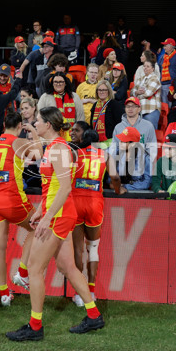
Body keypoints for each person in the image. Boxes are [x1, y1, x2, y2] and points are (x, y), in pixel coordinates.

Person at [5, 107, 104, 342]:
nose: (35, 124)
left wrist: (47, 217)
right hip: (58, 213)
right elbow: (52, 188)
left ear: (48, 124)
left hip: (59, 216)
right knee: (69, 267)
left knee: (35, 269)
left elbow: (66, 188)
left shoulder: (58, 148)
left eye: (37, 121)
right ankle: (93, 315)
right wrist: (40, 211)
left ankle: (35, 327)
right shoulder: (53, 147)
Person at [0, 112, 42, 305]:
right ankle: (22, 272)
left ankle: (4, 293)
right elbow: (38, 154)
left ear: (3, 124)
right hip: (11, 199)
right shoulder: (16, 142)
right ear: (19, 127)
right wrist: (33, 131)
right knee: (38, 225)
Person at [70, 127, 121, 306]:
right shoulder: (105, 155)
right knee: (93, 248)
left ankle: (78, 294)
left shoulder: (75, 154)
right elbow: (114, 176)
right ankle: (91, 291)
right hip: (94, 203)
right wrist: (118, 189)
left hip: (75, 202)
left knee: (77, 249)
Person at [110, 96, 158, 167]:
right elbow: (114, 148)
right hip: (123, 163)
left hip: (142, 164)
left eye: (133, 106)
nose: (130, 109)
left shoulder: (148, 126)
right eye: (128, 106)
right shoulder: (118, 127)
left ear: (139, 109)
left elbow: (152, 148)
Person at [37, 72, 84, 137]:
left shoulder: (75, 96)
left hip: (72, 135)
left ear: (65, 83)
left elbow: (80, 117)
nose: (58, 84)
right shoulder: (45, 97)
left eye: (61, 82)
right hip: (52, 136)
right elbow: (40, 118)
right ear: (52, 83)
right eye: (55, 82)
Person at [113, 126, 152, 193]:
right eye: (120, 141)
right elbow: (110, 179)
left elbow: (147, 182)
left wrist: (126, 187)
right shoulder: (115, 154)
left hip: (137, 195)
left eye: (124, 142)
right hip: (118, 192)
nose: (120, 143)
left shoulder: (146, 158)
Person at [90, 80, 124, 146]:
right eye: (99, 90)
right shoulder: (95, 105)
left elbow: (119, 124)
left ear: (109, 91)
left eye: (104, 90)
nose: (101, 92)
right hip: (97, 143)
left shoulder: (115, 104)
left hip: (111, 142)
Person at [130, 60, 161, 130]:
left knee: (150, 134)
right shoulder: (140, 79)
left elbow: (148, 93)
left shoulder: (155, 78)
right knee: (140, 135)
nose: (145, 68)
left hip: (151, 110)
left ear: (153, 69)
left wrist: (137, 95)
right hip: (140, 111)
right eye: (144, 66)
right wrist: (137, 92)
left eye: (148, 66)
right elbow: (132, 92)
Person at [157, 38, 176, 105]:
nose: (164, 47)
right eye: (164, 46)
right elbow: (158, 71)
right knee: (164, 107)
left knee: (172, 106)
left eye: (166, 45)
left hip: (173, 85)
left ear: (171, 46)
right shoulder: (162, 58)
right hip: (162, 85)